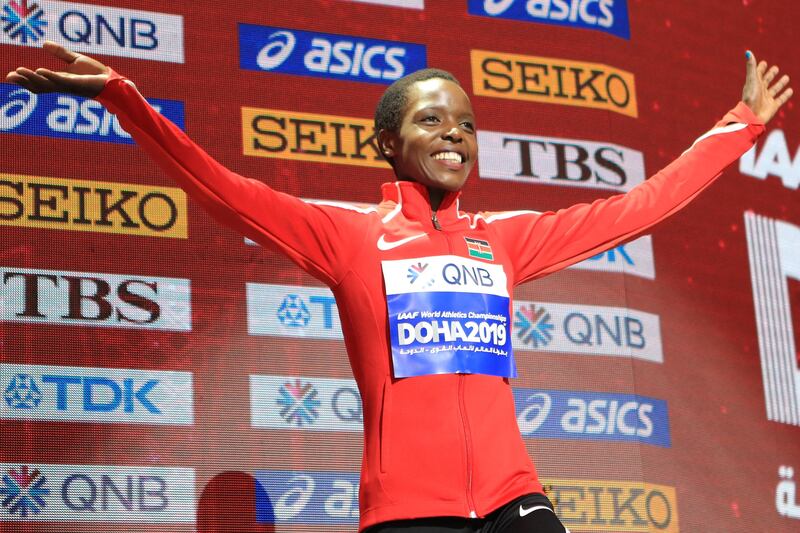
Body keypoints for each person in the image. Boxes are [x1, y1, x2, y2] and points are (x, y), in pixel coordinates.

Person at [7, 42, 792, 533]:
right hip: (410, 516)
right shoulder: (349, 236)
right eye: (431, 121)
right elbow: (218, 186)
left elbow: (637, 206)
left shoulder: (503, 239)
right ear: (386, 143)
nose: (455, 133)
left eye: (466, 123)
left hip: (520, 503)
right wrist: (123, 98)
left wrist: (740, 125)